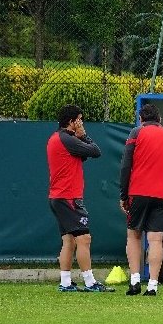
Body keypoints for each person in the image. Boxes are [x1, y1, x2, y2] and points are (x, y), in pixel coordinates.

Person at [119, 103, 163, 296]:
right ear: (159, 120)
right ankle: (153, 285)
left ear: (141, 119)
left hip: (138, 192)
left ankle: (135, 281)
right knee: (156, 240)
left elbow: (125, 166)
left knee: (134, 235)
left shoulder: (136, 133)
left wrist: (124, 195)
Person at [46, 104, 110, 292]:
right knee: (84, 239)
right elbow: (96, 151)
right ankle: (90, 282)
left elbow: (84, 155)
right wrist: (83, 135)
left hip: (58, 197)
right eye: (79, 119)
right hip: (68, 197)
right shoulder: (68, 139)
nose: (82, 123)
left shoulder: (56, 138)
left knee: (69, 240)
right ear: (72, 122)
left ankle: (65, 283)